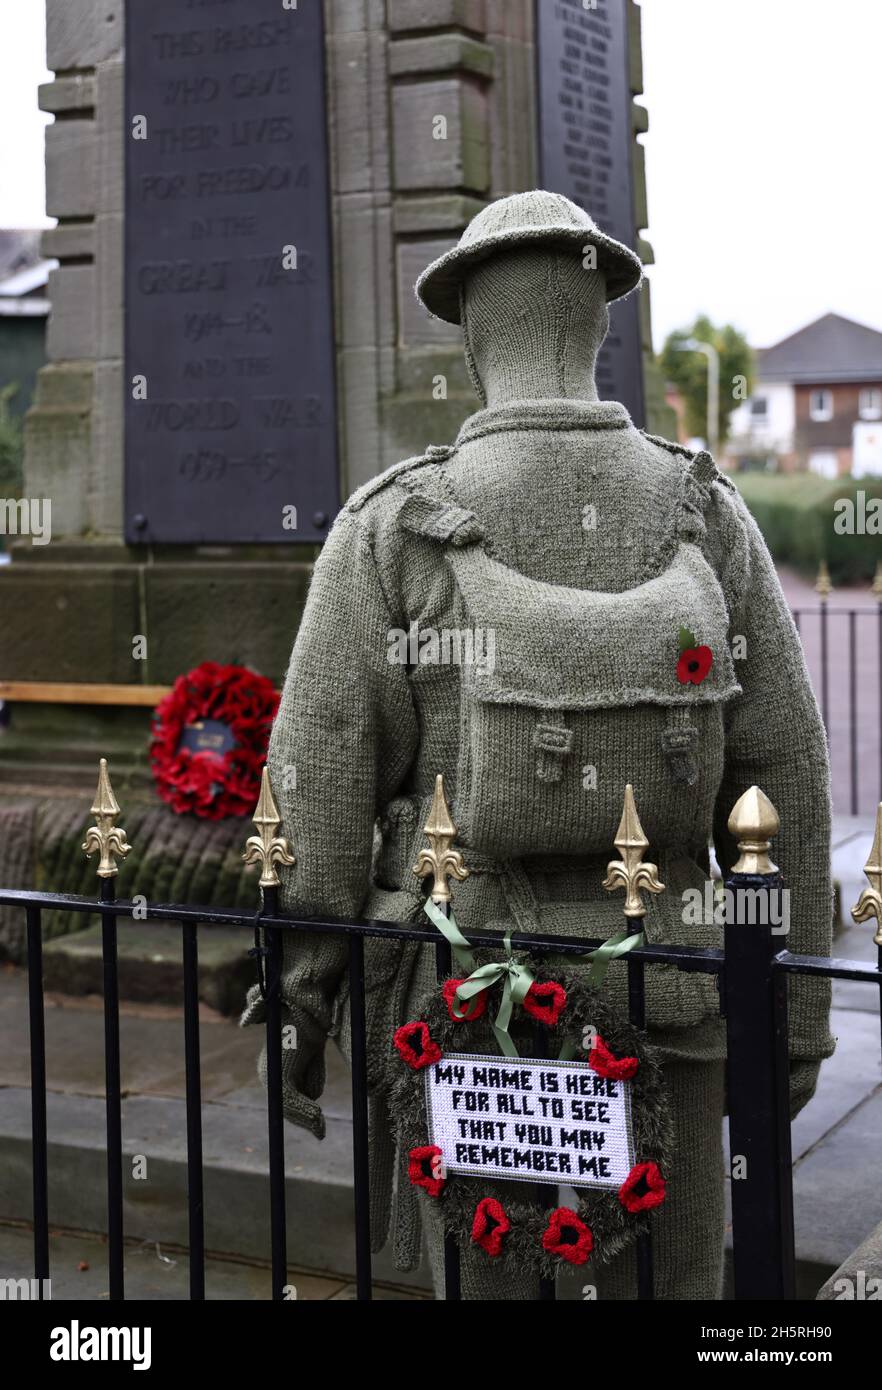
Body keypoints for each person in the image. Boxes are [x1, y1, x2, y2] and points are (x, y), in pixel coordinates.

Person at [241, 191, 834, 1299]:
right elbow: (782, 776)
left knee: (490, 1278)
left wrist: (302, 993)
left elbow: (314, 788)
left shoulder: (391, 524)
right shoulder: (706, 513)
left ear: (469, 330)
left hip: (467, 997)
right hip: (674, 986)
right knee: (674, 1277)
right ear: (599, 318)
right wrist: (792, 1011)